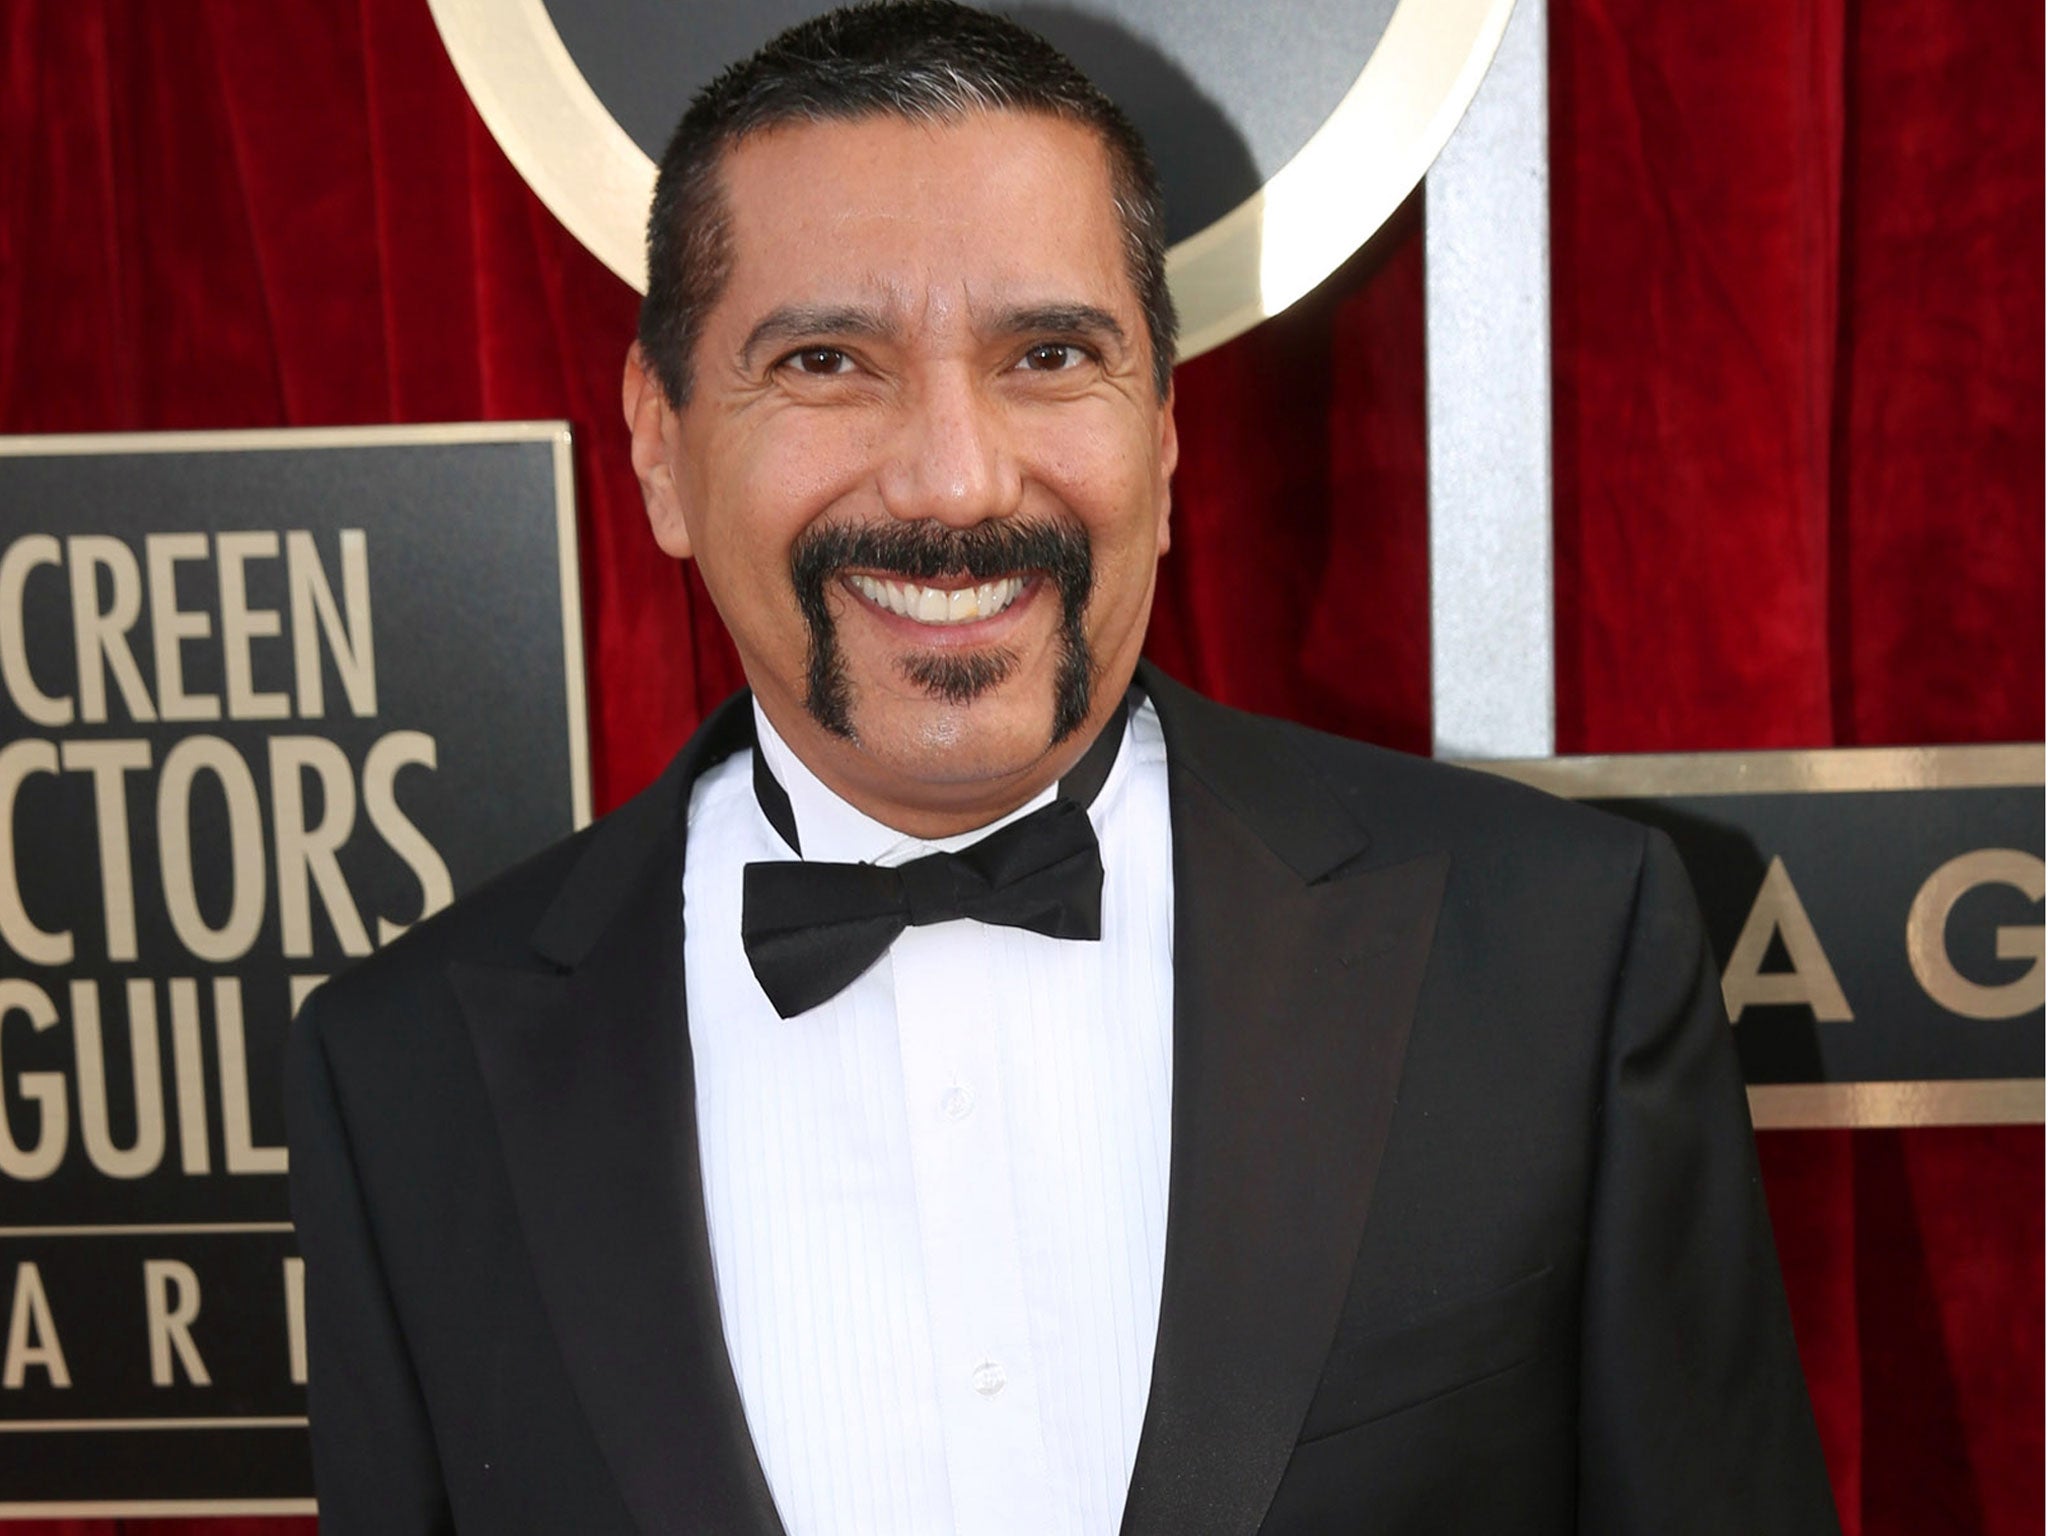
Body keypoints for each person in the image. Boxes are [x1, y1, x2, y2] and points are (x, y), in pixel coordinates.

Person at [285, 4, 1841, 1532]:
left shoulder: (1557, 957)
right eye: (829, 360)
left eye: (1047, 353)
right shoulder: (409, 1076)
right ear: (659, 446)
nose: (958, 478)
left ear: (1163, 439)